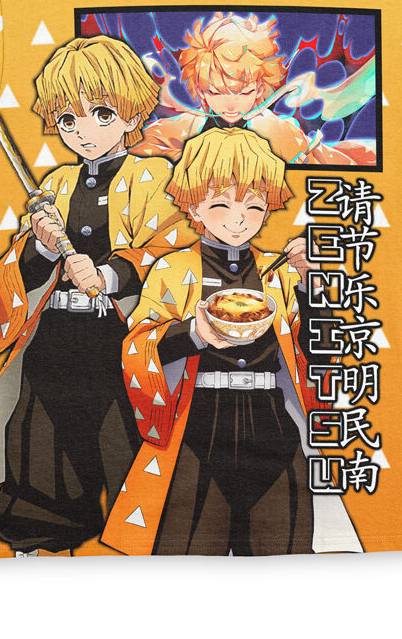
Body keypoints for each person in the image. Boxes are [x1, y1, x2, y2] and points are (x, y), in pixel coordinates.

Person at [0, 35, 193, 555]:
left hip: (115, 340)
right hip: (54, 338)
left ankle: (133, 540)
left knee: (120, 439)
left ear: (131, 112)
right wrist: (42, 246)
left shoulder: (153, 177)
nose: (84, 132)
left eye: (101, 114)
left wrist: (110, 275)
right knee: (43, 438)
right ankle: (40, 540)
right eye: (69, 120)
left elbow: (169, 247)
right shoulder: (56, 184)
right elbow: (20, 269)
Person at [101, 127, 348, 555]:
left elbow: (320, 351)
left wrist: (311, 284)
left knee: (285, 550)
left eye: (253, 206)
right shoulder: (173, 269)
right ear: (193, 205)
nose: (238, 219)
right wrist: (194, 334)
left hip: (274, 425)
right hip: (197, 427)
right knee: (188, 551)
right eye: (220, 204)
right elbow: (138, 347)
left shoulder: (280, 271)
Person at [132, 11, 377, 165]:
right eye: (217, 92)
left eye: (244, 92)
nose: (231, 105)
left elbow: (324, 165)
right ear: (202, 91)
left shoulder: (279, 130)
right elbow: (138, 153)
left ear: (260, 90)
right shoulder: (185, 127)